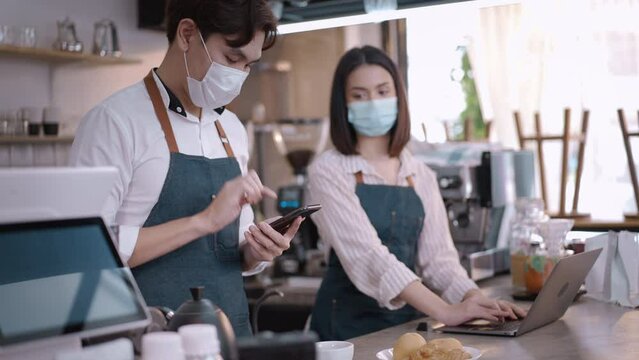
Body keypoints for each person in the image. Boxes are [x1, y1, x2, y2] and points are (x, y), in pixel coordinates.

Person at [69, 0, 303, 337]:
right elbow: (87, 250)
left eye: (248, 65)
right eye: (232, 59)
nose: (238, 74)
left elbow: (231, 249)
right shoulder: (114, 122)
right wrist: (203, 221)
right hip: (149, 342)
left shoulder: (232, 129)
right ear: (187, 34)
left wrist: (255, 252)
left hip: (230, 337)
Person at [308, 46, 526, 341]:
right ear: (343, 104)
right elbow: (368, 256)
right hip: (344, 330)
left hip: (406, 327)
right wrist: (446, 311)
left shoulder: (419, 173)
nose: (373, 102)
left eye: (383, 91)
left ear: (399, 97)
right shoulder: (328, 171)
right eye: (359, 96)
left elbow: (439, 260)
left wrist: (472, 297)